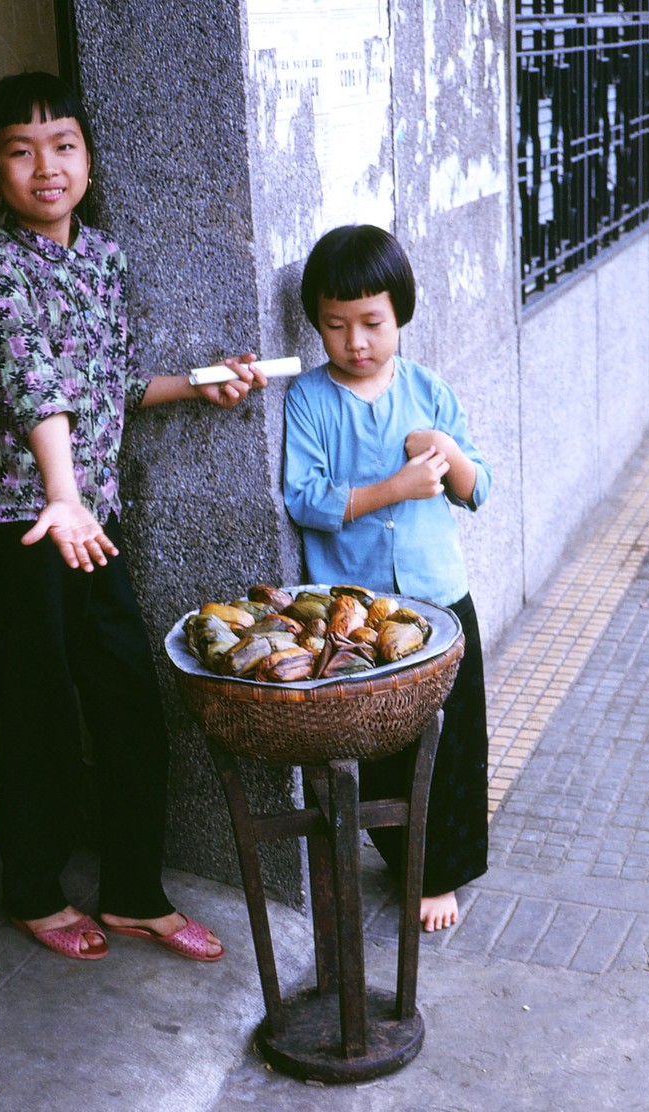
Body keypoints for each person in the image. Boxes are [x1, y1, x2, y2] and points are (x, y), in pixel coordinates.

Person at [0, 71, 267, 961]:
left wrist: (199, 384)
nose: (44, 167)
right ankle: (32, 890)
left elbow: (111, 389)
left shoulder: (103, 259)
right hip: (22, 528)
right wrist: (61, 493)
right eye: (20, 151)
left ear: (89, 161)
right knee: (35, 713)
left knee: (131, 700)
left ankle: (134, 890)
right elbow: (38, 394)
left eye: (63, 146)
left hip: (89, 524)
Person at [283, 224, 492, 932]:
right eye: (336, 326)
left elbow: (478, 487)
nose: (356, 341)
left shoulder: (430, 391)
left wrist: (448, 454)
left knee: (452, 737)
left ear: (400, 312)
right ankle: (401, 856)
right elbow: (305, 497)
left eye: (372, 322)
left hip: (439, 595)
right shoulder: (310, 399)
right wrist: (392, 488)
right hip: (359, 610)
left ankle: (439, 875)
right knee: (376, 746)